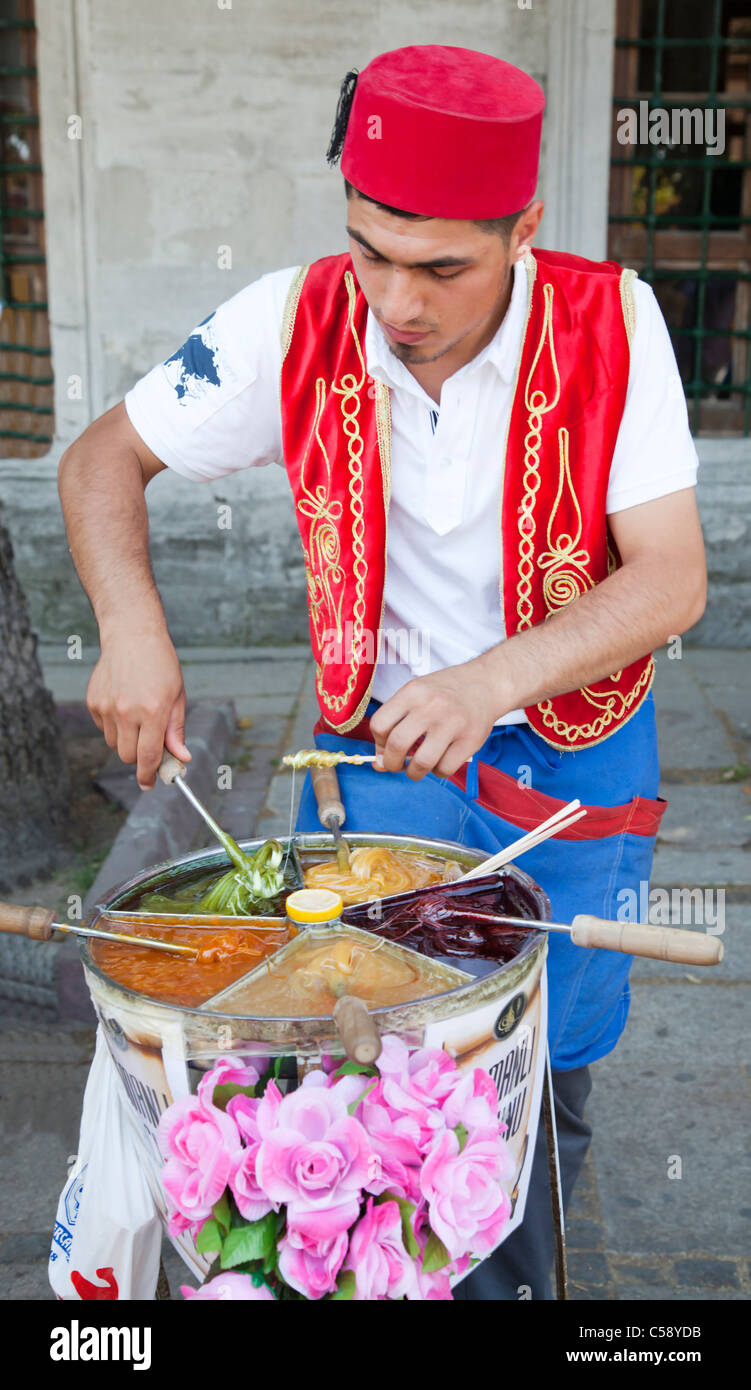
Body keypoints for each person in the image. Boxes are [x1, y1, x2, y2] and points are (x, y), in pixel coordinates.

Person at [58, 46, 706, 1299]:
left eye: (442, 268)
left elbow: (671, 578)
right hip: (380, 761)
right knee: (353, 1059)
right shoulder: (290, 319)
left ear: (522, 228)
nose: (396, 301)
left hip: (569, 760)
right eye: (370, 252)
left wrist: (487, 681)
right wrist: (129, 626)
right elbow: (101, 458)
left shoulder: (613, 323)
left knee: (536, 1064)